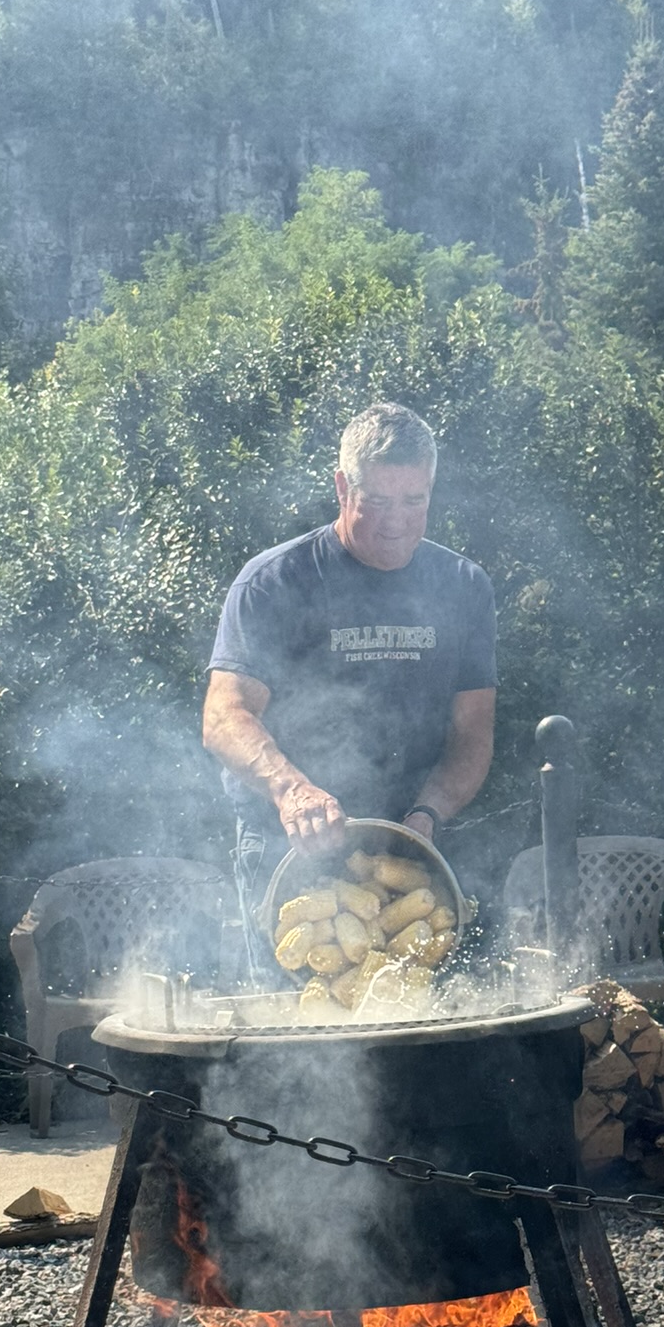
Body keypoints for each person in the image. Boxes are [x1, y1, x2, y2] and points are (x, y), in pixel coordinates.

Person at [203, 402, 496, 976]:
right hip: (290, 848)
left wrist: (428, 814)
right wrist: (293, 791)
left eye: (414, 501)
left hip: (411, 844)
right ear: (342, 487)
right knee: (296, 1020)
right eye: (378, 501)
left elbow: (473, 732)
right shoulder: (275, 583)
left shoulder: (462, 587)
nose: (397, 522)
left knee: (418, 1016)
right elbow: (223, 716)